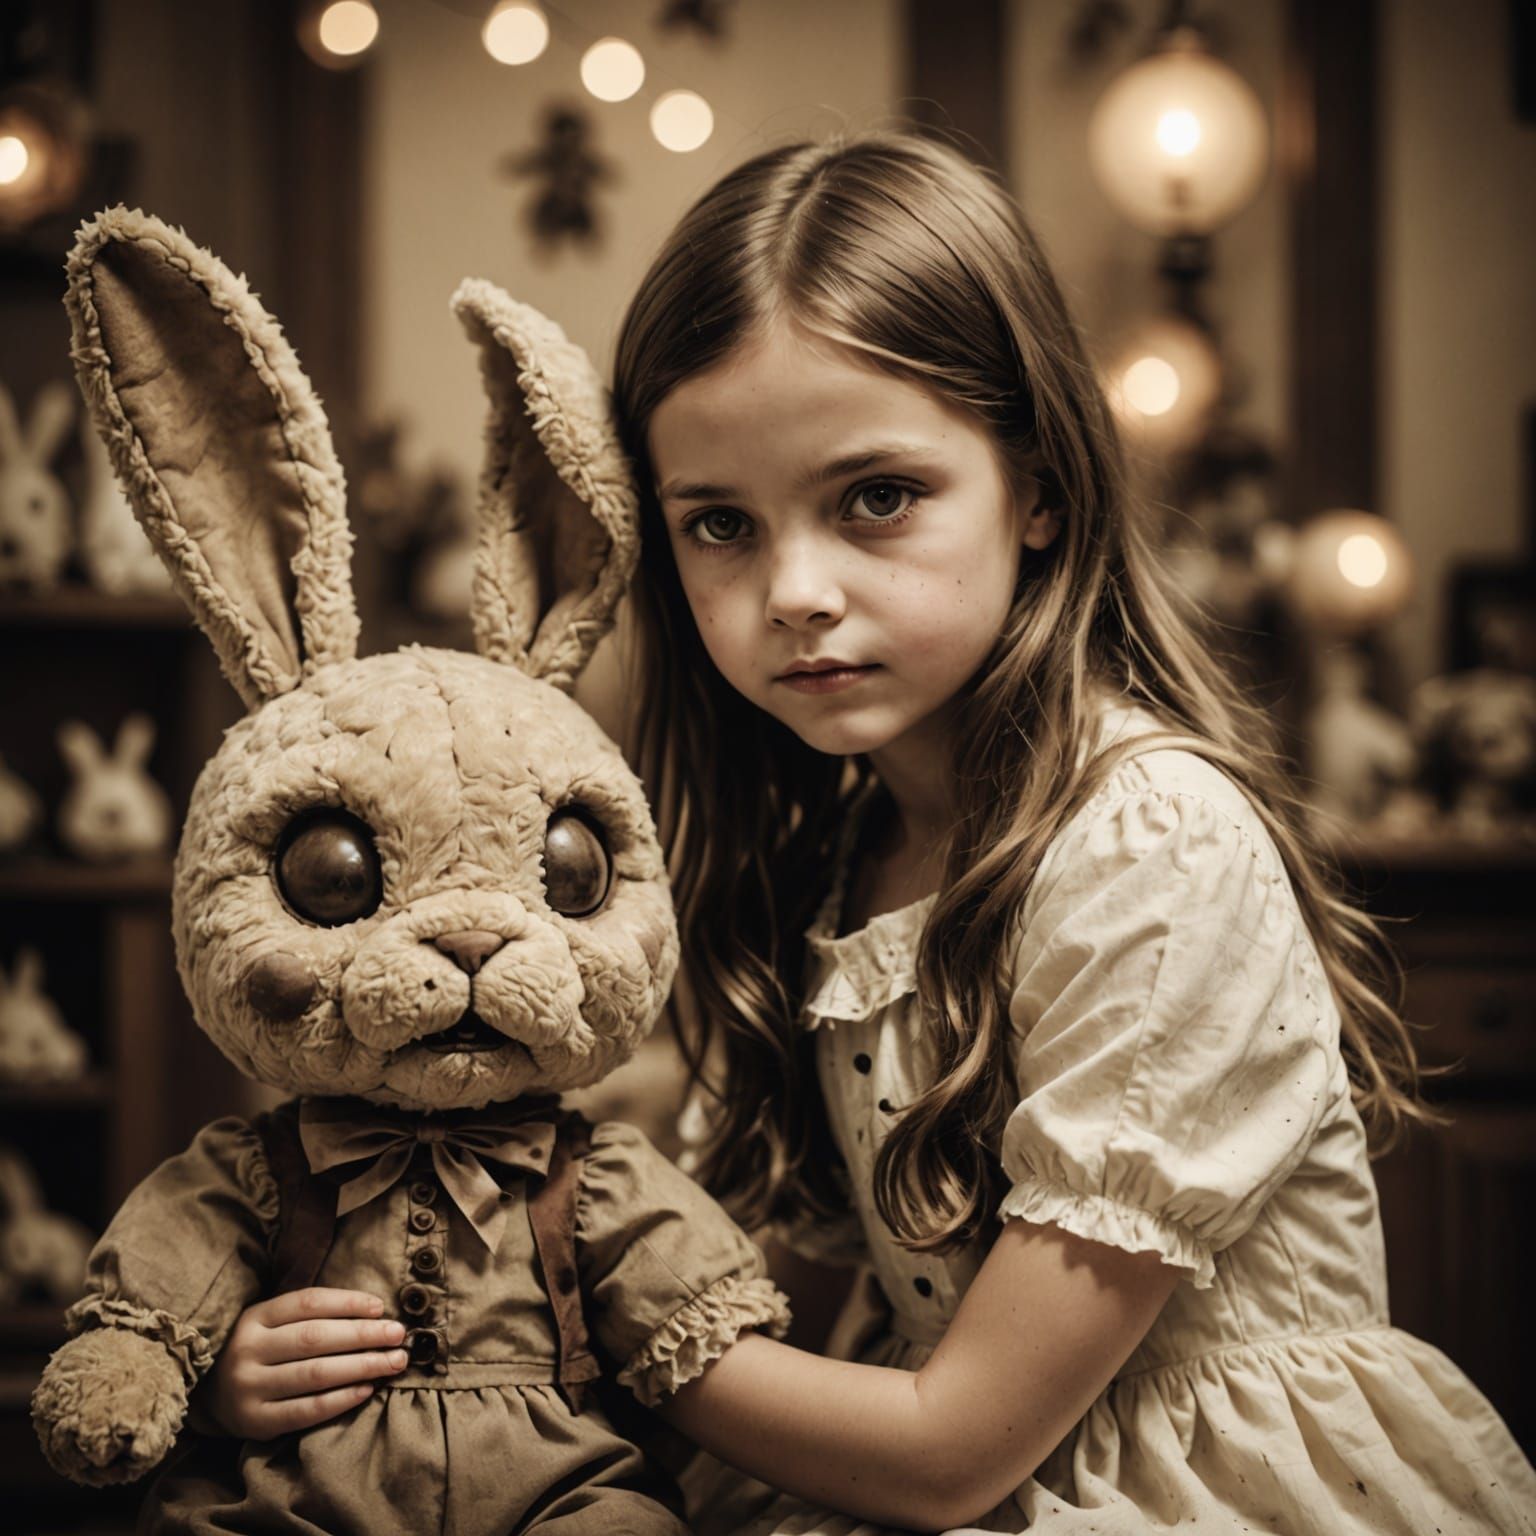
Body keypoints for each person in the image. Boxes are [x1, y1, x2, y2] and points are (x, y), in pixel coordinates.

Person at [205, 132, 1536, 1533]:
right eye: (721, 523)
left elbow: (952, 1450)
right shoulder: (846, 852)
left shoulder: (1150, 846)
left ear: (1040, 486)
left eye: (878, 499)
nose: (795, 589)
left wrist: (562, 1289)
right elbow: (787, 1299)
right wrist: (347, 1356)